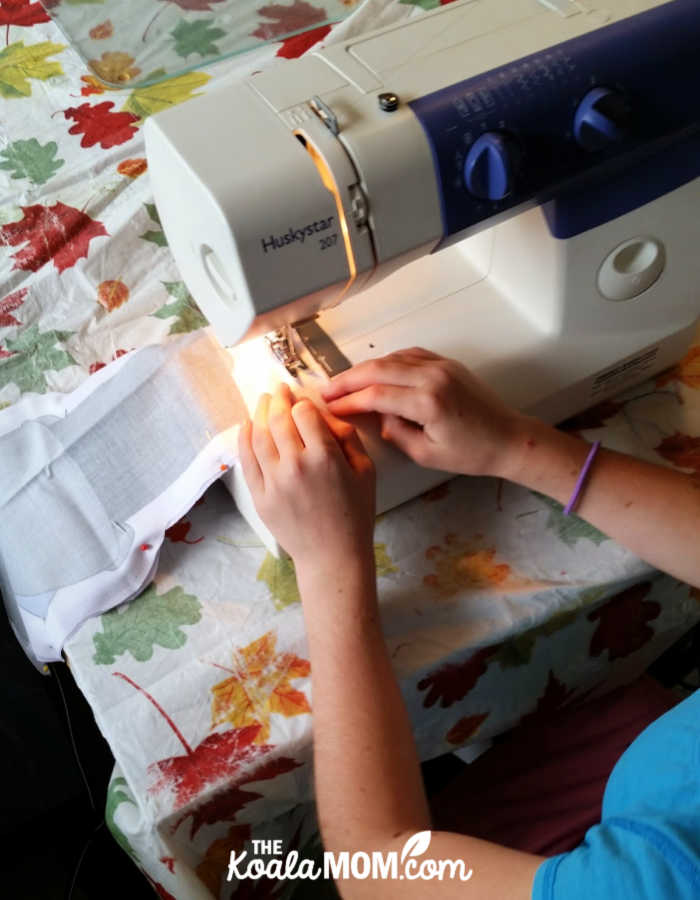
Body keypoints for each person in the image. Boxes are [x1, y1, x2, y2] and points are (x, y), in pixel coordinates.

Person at [238, 347, 700, 900]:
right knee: (621, 707)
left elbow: (377, 866)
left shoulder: (655, 884)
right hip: (660, 769)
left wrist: (328, 562)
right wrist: (517, 445)